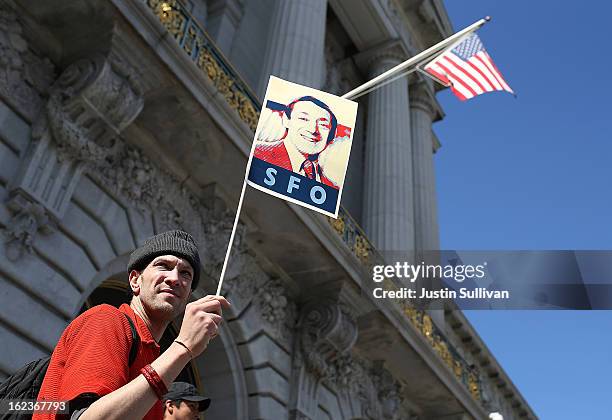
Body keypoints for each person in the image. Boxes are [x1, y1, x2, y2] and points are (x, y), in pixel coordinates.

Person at [33, 230, 229, 420]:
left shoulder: (153, 357)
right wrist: (183, 347)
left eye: (186, 273)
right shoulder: (107, 319)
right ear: (135, 280)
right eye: (163, 266)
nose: (175, 278)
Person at [254, 96, 340, 189]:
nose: (313, 130)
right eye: (304, 119)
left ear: (330, 135)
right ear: (286, 120)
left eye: (323, 125)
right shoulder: (257, 152)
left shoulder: (331, 187)